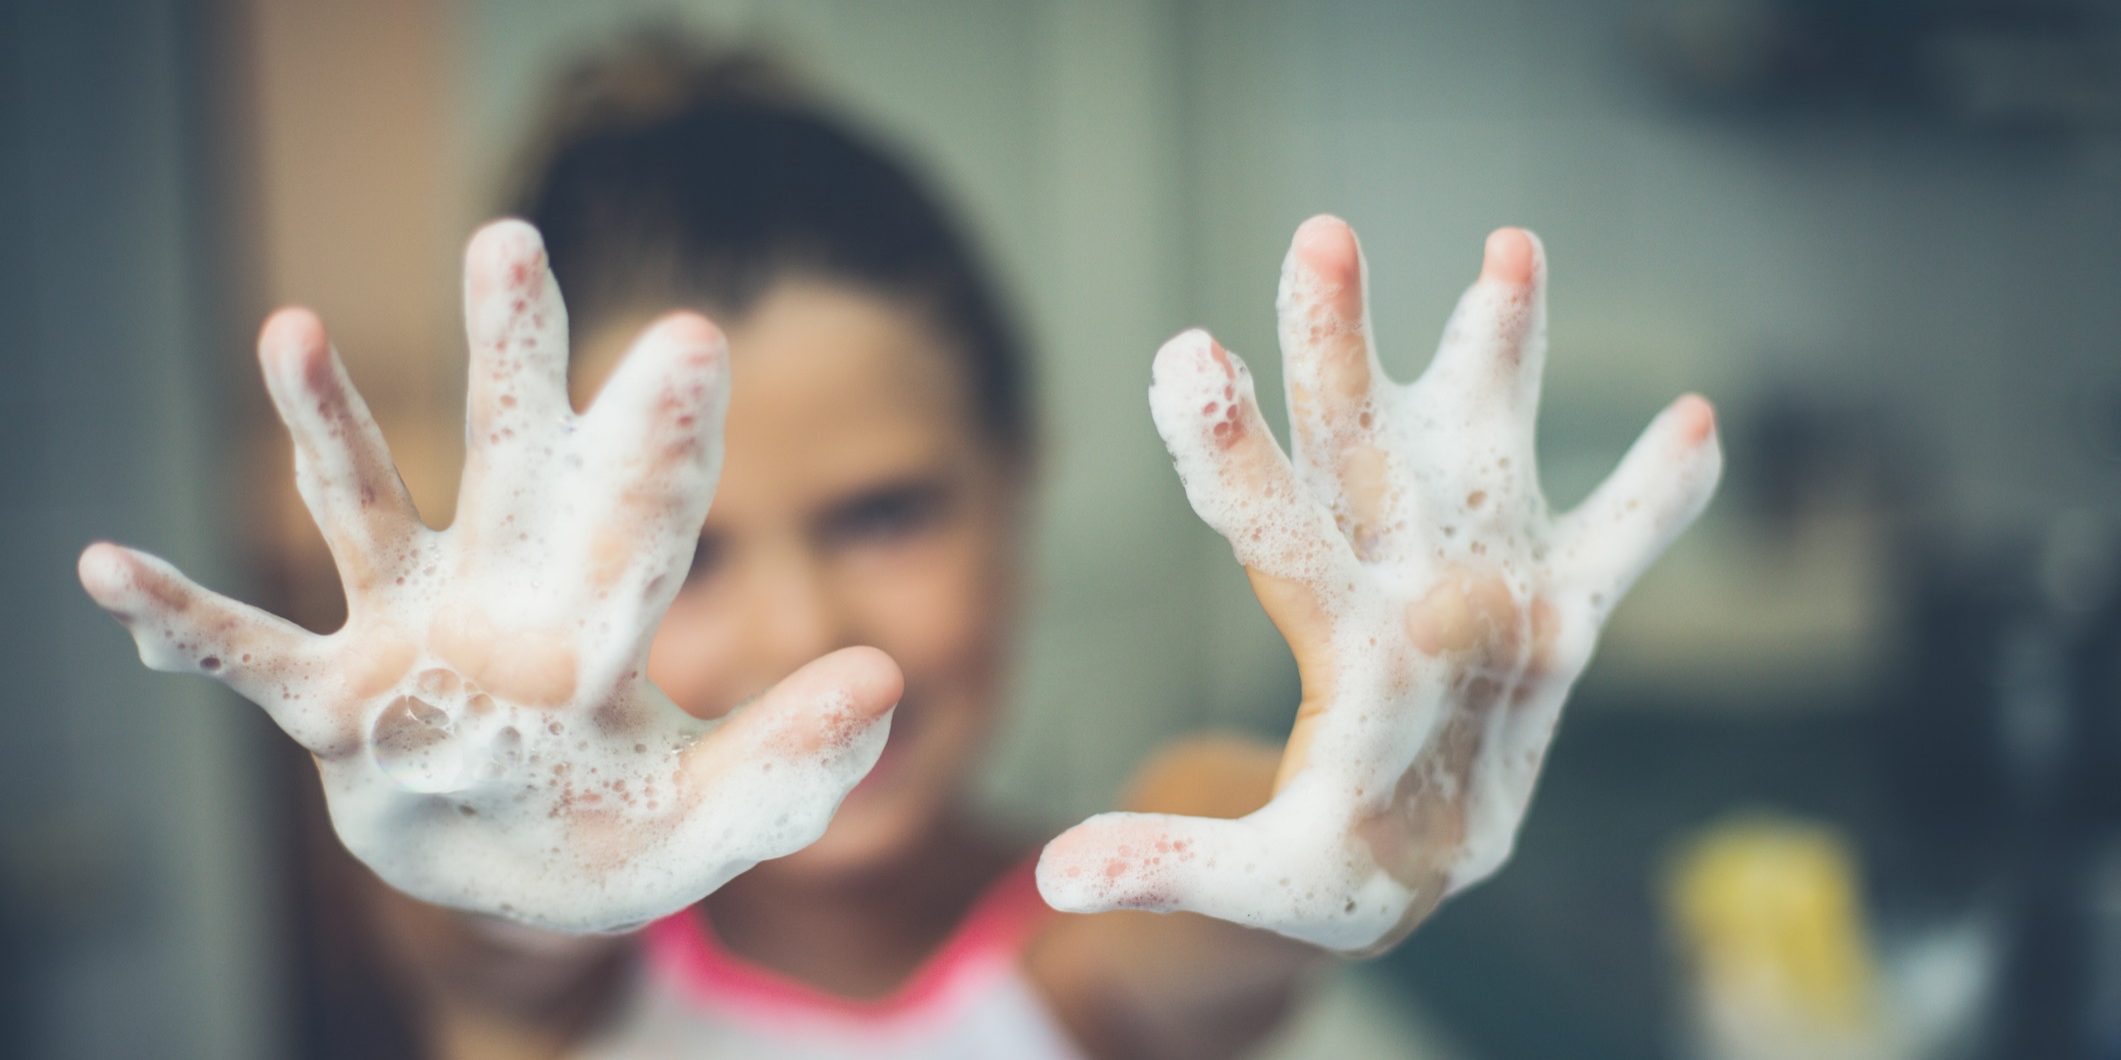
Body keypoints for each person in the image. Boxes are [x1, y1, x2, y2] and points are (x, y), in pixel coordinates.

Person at [76, 38, 1720, 1059]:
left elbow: (1215, 870)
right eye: (691, 556)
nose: (805, 626)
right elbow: (475, 946)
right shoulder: (558, 975)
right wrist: (463, 804)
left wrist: (1331, 824)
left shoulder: (1091, 960)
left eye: (884, 512)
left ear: (1018, 481)